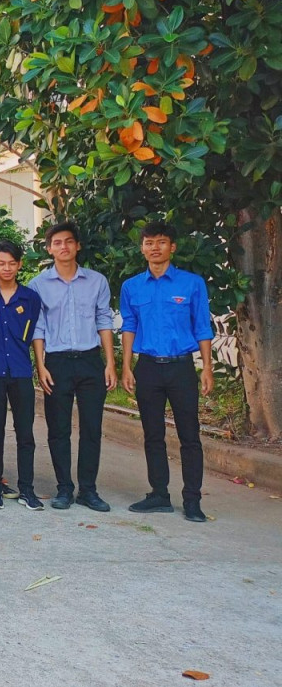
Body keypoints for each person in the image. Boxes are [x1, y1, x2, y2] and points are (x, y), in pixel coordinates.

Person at [120, 221, 215, 523]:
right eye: (149, 243)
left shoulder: (191, 284)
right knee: (153, 434)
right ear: (142, 248)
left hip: (181, 368)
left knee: (190, 435)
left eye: (161, 242)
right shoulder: (132, 286)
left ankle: (192, 500)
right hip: (148, 367)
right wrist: (126, 366)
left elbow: (202, 327)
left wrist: (207, 368)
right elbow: (129, 326)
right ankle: (159, 494)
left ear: (172, 247)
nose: (155, 248)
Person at [28, 222, 117, 512]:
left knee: (92, 428)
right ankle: (64, 488)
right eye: (57, 242)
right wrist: (41, 366)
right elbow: (38, 327)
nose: (63, 247)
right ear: (49, 249)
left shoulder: (96, 281)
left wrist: (110, 363)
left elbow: (104, 320)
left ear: (77, 246)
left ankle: (88, 490)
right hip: (57, 362)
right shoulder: (38, 285)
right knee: (58, 429)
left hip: (90, 360)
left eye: (68, 241)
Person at [0, 242, 43, 510]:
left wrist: (40, 367)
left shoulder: (30, 298)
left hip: (21, 371)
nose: (7, 268)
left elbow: (34, 333)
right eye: (1, 263)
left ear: (19, 265)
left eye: (12, 263)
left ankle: (27, 489)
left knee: (25, 434)